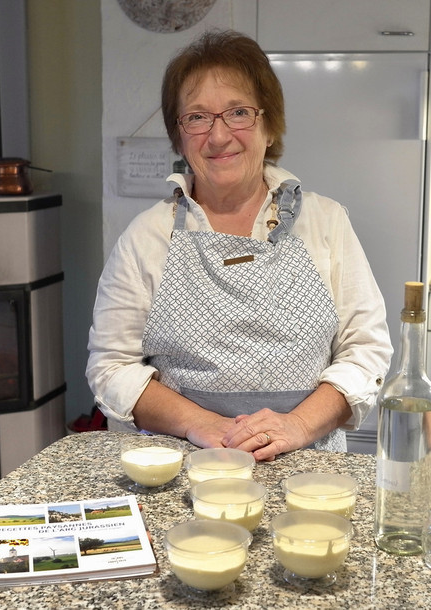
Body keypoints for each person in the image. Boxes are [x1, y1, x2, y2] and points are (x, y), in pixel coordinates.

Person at [87, 29, 392, 461]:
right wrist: (203, 424)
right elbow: (111, 366)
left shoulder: (326, 222)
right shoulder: (147, 236)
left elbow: (367, 349)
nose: (218, 136)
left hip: (309, 470)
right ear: (179, 137)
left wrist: (298, 424)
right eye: (196, 117)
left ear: (269, 126)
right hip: (184, 469)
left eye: (238, 113)